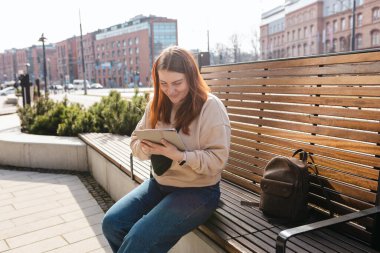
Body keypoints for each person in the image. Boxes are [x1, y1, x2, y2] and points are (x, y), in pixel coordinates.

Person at [102, 46, 231, 253]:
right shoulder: (156, 103)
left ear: (191, 77)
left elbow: (217, 160)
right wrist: (146, 148)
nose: (170, 91)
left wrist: (179, 156)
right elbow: (135, 140)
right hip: (160, 184)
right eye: (163, 84)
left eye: (177, 83)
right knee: (112, 223)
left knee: (139, 239)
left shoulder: (210, 107)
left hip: (199, 191)